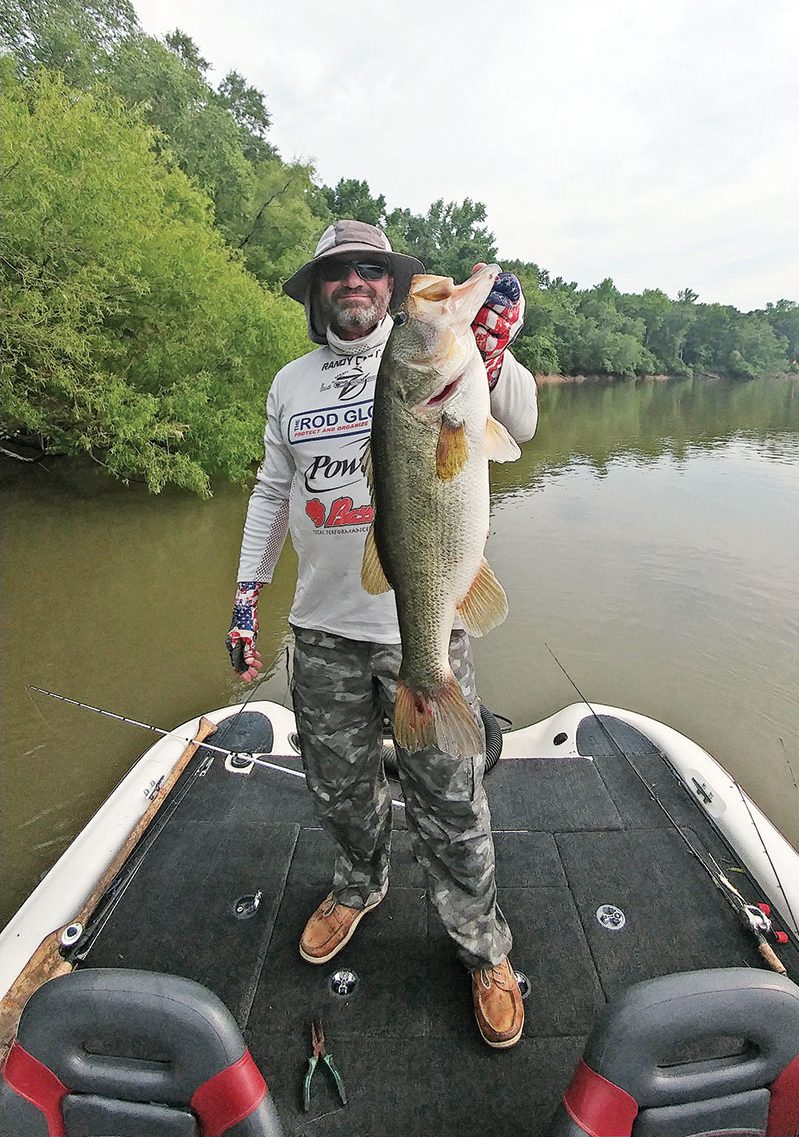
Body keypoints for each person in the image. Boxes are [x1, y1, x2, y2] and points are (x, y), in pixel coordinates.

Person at [227, 220, 538, 1048]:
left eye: (372, 269)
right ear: (316, 291)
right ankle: (357, 884)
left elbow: (523, 425)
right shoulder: (289, 383)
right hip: (320, 629)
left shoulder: (436, 360)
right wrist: (244, 596)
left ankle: (483, 949)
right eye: (338, 272)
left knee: (451, 797)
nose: (356, 282)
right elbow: (268, 492)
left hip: (422, 628)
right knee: (336, 789)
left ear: (394, 291)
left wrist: (493, 355)